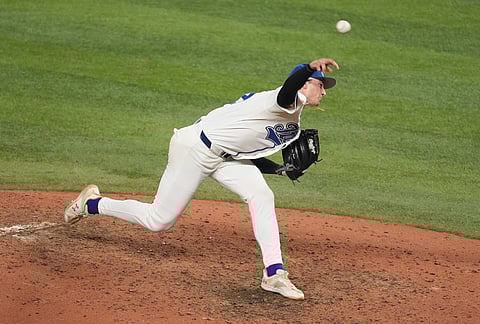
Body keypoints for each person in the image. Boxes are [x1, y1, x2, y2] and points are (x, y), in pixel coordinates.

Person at [65, 58, 339, 300]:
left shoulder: (291, 118)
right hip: (194, 149)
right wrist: (307, 67)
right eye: (319, 84)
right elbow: (288, 89)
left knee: (262, 195)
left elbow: (246, 150)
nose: (324, 91)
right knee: (159, 220)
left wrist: (279, 169)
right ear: (304, 84)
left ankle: (274, 273)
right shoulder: (284, 100)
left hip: (225, 156)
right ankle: (92, 203)